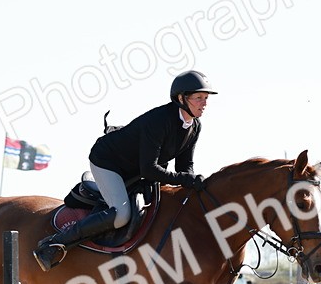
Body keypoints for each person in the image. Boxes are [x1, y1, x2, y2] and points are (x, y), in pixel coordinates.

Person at [33, 70, 218, 271]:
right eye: (198, 98)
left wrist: (194, 183)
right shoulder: (159, 120)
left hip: (137, 169)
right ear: (181, 98)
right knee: (121, 214)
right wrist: (187, 179)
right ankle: (53, 244)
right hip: (109, 162)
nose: (204, 103)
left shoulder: (194, 126)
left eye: (206, 98)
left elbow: (184, 167)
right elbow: (150, 170)